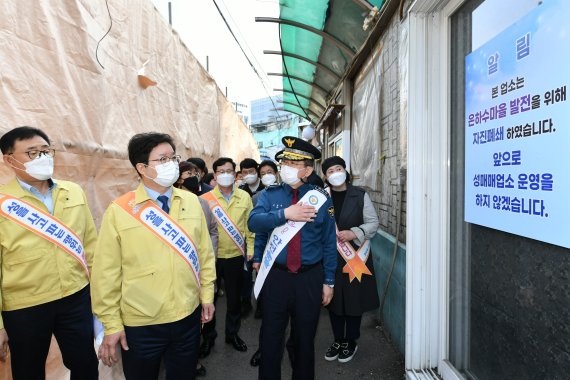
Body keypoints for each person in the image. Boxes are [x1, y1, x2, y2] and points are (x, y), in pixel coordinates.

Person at [91, 133, 216, 380]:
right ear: (142, 167)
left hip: (187, 317)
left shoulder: (192, 203)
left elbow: (205, 254)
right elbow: (106, 274)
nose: (171, 164)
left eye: (173, 157)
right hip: (141, 324)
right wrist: (112, 324)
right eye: (163, 159)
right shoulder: (120, 211)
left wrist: (207, 296)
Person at [0, 126, 99, 379]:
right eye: (32, 153)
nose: (43, 158)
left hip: (75, 296)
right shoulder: (3, 202)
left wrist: (100, 295)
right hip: (25, 305)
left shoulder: (72, 191)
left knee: (86, 364)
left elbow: (90, 245)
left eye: (46, 151)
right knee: (28, 371)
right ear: (9, 159)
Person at [249, 136, 337, 380]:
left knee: (304, 339)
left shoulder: (320, 198)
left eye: (294, 162)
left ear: (307, 169)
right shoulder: (270, 195)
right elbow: (254, 222)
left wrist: (328, 281)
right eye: (284, 161)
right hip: (276, 277)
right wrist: (286, 214)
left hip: (309, 278)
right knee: (270, 337)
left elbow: (329, 242)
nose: (286, 166)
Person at [321, 156, 380, 363]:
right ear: (325, 176)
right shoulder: (320, 197)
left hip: (356, 256)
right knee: (333, 299)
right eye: (330, 171)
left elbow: (373, 223)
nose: (335, 173)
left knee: (354, 300)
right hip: (330, 257)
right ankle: (338, 339)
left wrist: (354, 233)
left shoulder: (360, 195)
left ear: (346, 172)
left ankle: (350, 341)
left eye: (338, 168)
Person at [199, 157, 254, 354]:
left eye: (229, 171)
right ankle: (208, 338)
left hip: (235, 256)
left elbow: (250, 226)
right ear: (215, 175)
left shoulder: (244, 198)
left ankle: (232, 334)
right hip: (211, 258)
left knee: (234, 300)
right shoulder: (205, 200)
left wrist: (251, 249)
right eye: (221, 171)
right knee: (209, 299)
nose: (225, 175)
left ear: (235, 174)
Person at [175, 160, 219, 377]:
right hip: (173, 273)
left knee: (195, 320)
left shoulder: (201, 202)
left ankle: (194, 359)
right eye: (185, 173)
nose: (190, 176)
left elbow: (212, 231)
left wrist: (206, 255)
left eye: (193, 172)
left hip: (198, 269)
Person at [249, 159, 279, 366]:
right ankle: (264, 349)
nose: (268, 175)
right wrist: (258, 257)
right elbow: (258, 231)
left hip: (294, 265)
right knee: (270, 313)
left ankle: (294, 348)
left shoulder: (304, 195)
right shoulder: (260, 197)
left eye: (271, 171)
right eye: (264, 173)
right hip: (270, 262)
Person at [238, 158, 265, 317]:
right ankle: (246, 302)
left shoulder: (266, 188)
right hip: (246, 239)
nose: (248, 175)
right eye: (244, 172)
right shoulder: (240, 190)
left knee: (262, 272)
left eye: (251, 171)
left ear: (257, 171)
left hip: (262, 237)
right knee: (246, 273)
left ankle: (261, 304)